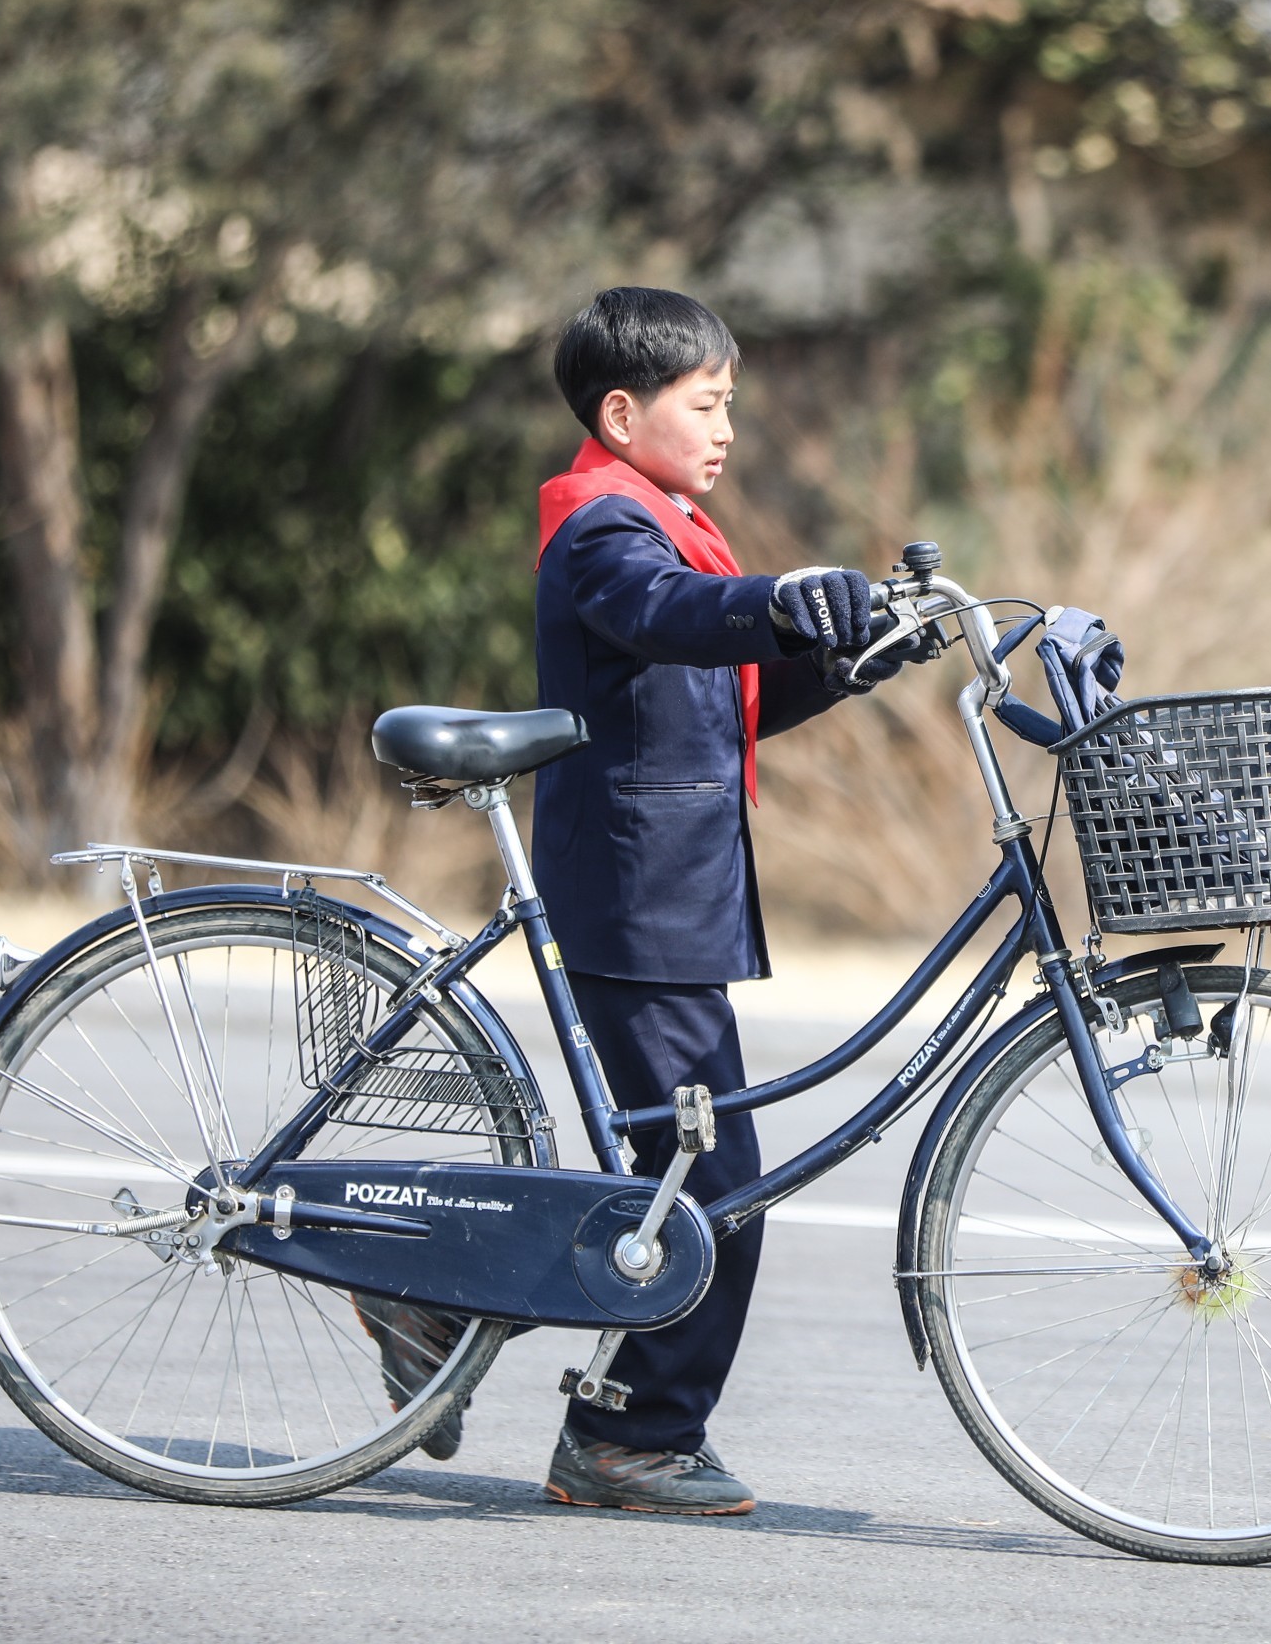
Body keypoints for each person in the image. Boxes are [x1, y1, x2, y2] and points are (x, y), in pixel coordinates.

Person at [363, 286, 924, 1514]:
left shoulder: (667, 520)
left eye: (730, 403)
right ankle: (626, 1436)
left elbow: (729, 692)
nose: (727, 428)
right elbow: (665, 617)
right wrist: (780, 595)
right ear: (622, 413)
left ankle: (435, 1297)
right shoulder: (603, 529)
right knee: (708, 1177)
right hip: (632, 894)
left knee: (670, 1169)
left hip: (671, 893)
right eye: (705, 403)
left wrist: (846, 656)